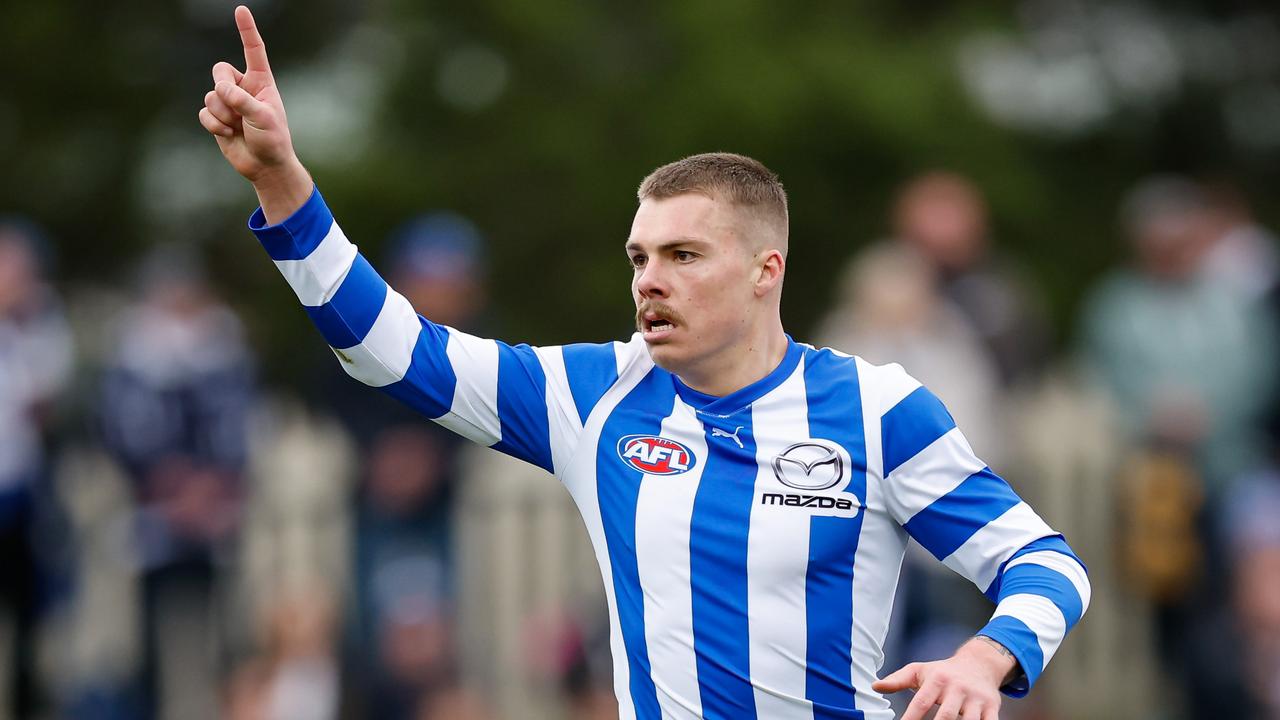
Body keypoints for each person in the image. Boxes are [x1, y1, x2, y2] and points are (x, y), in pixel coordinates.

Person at [198, 8, 1090, 719]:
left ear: (762, 272)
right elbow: (392, 350)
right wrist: (283, 184)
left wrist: (985, 657)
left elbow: (1048, 566)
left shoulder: (877, 410)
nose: (650, 282)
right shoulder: (595, 395)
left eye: (684, 257)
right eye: (639, 258)